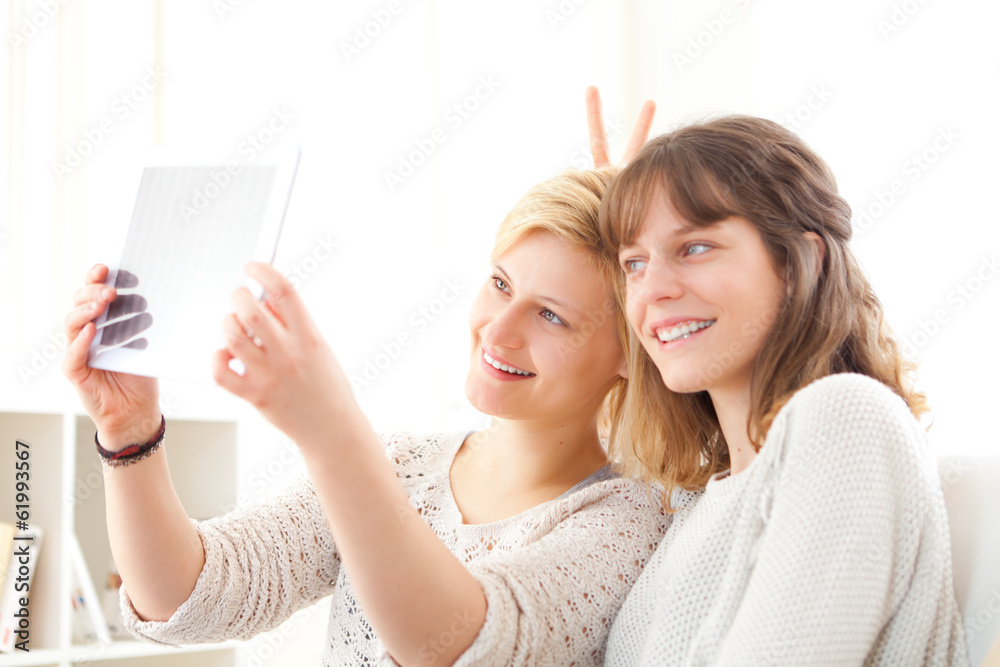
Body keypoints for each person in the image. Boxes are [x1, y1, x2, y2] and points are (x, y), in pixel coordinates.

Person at [61, 95, 686, 666]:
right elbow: (187, 597)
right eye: (500, 284)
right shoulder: (402, 464)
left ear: (631, 349)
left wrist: (331, 430)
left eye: (551, 314)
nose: (498, 332)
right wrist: (129, 433)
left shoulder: (626, 519)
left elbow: (466, 642)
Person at [596, 115, 970, 665]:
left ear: (803, 262)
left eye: (695, 247)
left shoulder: (847, 418)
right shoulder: (697, 501)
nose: (654, 290)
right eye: (634, 262)